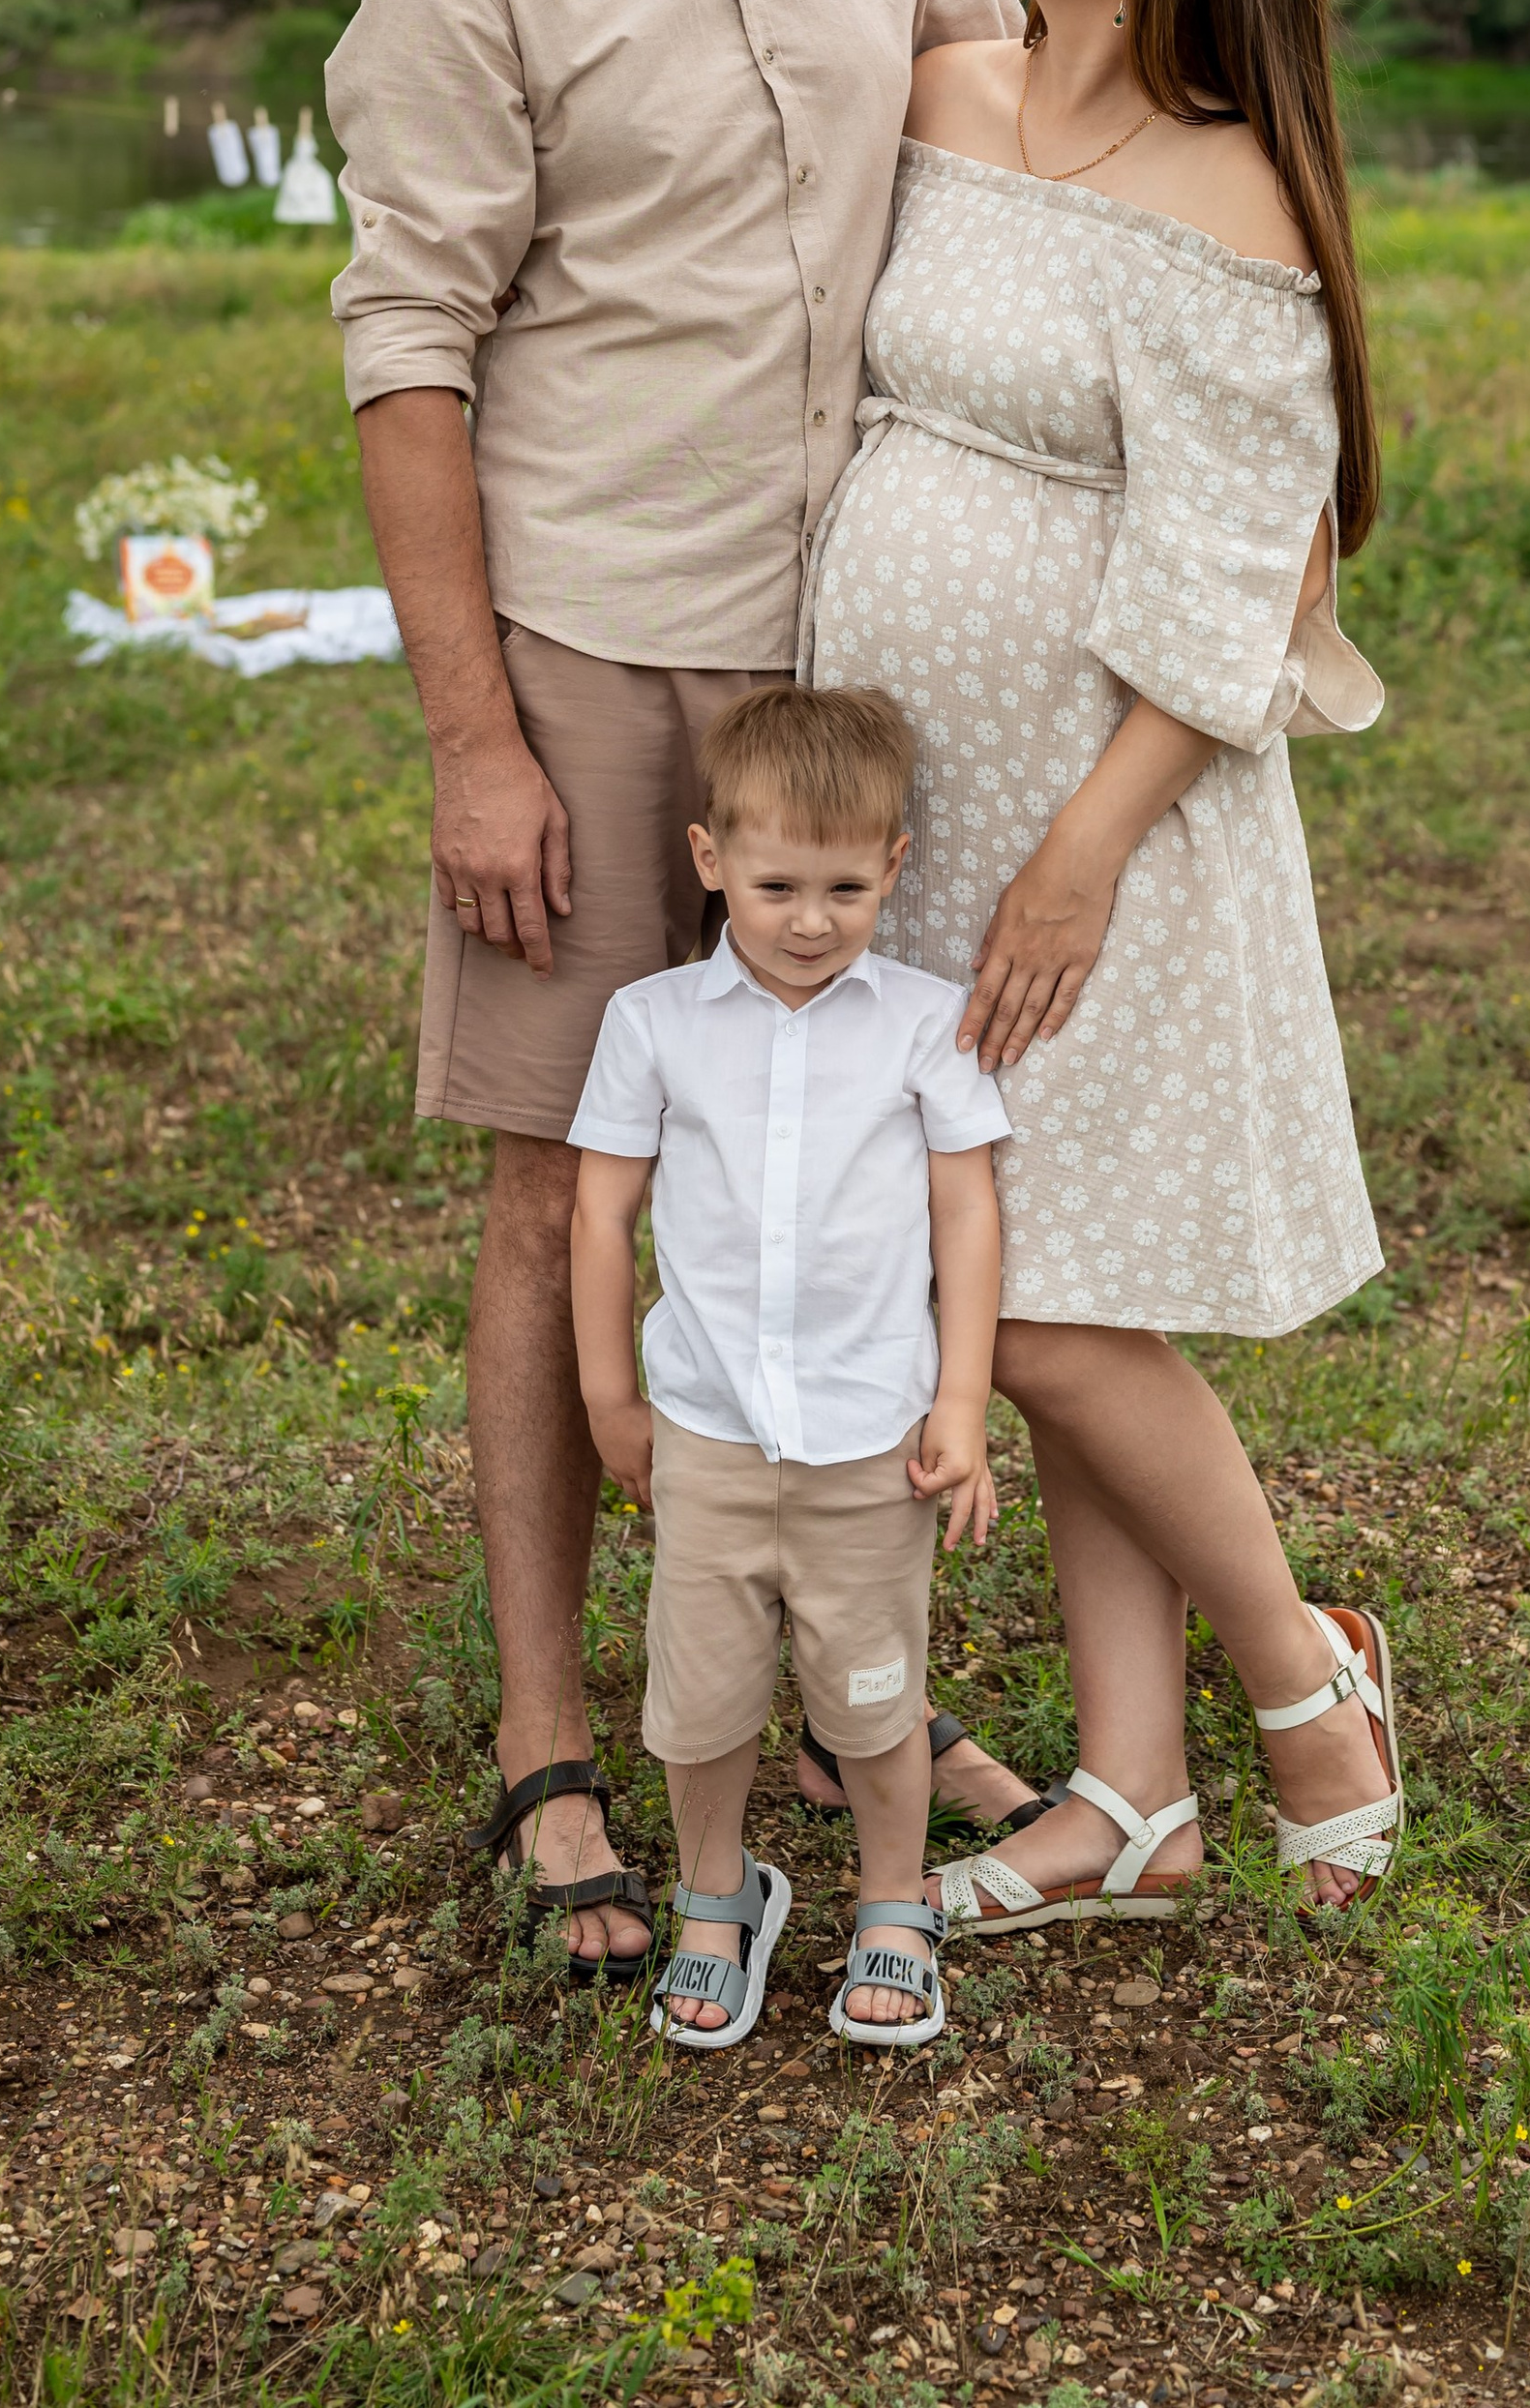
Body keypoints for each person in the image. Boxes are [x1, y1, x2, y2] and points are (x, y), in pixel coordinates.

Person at [325, 0, 1026, 1977]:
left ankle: (856, 1687)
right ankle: (549, 1748)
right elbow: (408, 357)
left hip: (831, 657)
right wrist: (473, 742)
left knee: (838, 1164)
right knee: (562, 1190)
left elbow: (1010, 109)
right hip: (595, 641)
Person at [801, 0, 1404, 1923]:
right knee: (1048, 1272)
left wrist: (1086, 843)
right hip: (922, 814)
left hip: (1104, 828)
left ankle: (1296, 1675)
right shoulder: (947, 98)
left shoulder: (1227, 192)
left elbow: (1233, 570)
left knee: (1047, 1303)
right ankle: (1126, 1799)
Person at [569, 684, 1006, 2048]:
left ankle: (891, 1894)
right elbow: (600, 1210)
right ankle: (720, 1892)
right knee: (698, 1695)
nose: (808, 918)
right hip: (704, 1425)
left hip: (872, 1433)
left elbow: (966, 1208)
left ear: (893, 867)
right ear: (711, 862)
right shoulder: (655, 1021)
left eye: (842, 884)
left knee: (874, 1690)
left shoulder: (926, 1022)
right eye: (773, 884)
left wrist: (963, 1402)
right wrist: (606, 1393)